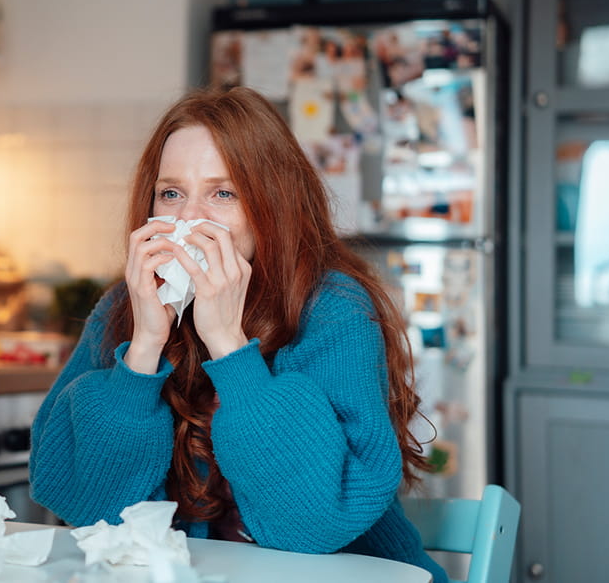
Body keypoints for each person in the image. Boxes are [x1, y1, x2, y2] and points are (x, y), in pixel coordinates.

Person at [29, 87, 448, 583]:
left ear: (271, 205)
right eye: (171, 193)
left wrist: (229, 346)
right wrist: (143, 349)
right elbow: (87, 507)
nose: (187, 220)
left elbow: (313, 525)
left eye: (222, 193)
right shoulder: (126, 306)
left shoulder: (333, 309)